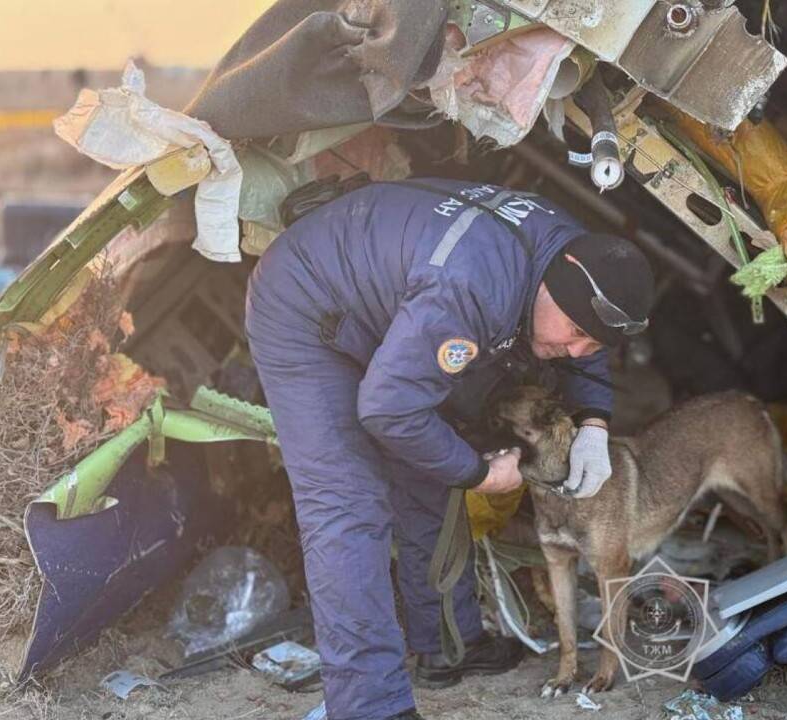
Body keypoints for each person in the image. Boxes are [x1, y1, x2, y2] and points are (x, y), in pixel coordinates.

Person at [244, 178, 656, 720]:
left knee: (426, 470)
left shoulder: (575, 258)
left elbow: (585, 342)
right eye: (574, 331)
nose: (575, 351)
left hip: (393, 301)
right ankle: (372, 705)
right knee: (347, 504)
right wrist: (479, 474)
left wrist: (596, 422)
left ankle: (449, 645)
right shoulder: (473, 288)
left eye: (593, 343)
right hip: (307, 308)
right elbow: (389, 409)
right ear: (551, 290)